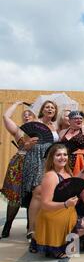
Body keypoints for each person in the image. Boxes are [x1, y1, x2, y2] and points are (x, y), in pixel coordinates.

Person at [29, 144, 84, 258]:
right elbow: (45, 204)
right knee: (73, 247)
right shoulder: (51, 176)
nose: (62, 157)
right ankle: (49, 243)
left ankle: (59, 244)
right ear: (52, 158)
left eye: (65, 154)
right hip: (54, 215)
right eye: (58, 155)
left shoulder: (68, 173)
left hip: (67, 213)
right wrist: (65, 204)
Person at [22, 100, 60, 240]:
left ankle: (42, 226)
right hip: (36, 158)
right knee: (37, 192)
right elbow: (24, 146)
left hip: (50, 159)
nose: (50, 109)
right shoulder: (33, 124)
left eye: (52, 107)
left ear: (55, 111)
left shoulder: (56, 126)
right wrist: (29, 143)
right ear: (42, 110)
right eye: (47, 107)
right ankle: (31, 228)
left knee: (48, 192)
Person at [0, 101, 36, 239]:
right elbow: (5, 116)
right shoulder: (18, 129)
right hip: (18, 164)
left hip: (34, 164)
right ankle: (8, 225)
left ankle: (29, 227)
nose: (26, 116)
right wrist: (18, 103)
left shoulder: (41, 129)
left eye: (29, 114)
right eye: (24, 115)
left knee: (31, 195)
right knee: (14, 197)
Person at [59, 111, 84, 176]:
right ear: (69, 121)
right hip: (65, 162)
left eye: (81, 118)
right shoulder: (62, 132)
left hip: (82, 162)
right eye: (76, 118)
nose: (79, 120)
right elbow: (59, 147)